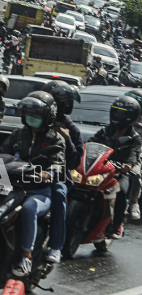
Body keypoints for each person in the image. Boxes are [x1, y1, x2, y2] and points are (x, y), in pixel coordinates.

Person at [0, 91, 66, 276]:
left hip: (39, 192)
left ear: (48, 117)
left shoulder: (55, 138)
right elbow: (0, 152)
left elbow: (59, 165)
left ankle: (26, 257)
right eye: (29, 114)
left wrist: (48, 174)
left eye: (36, 115)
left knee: (29, 209)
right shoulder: (18, 134)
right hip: (13, 188)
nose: (31, 118)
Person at [40, 81, 84, 264]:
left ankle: (56, 246)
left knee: (58, 194)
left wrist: (67, 139)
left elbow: (74, 162)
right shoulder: (37, 120)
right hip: (28, 173)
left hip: (57, 175)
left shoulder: (71, 129)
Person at [90, 95, 142, 239]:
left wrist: (128, 165)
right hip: (102, 168)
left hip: (120, 172)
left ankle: (117, 223)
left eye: (122, 113)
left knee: (121, 191)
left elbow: (134, 154)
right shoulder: (105, 131)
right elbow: (91, 142)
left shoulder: (134, 138)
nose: (118, 115)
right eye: (116, 111)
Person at [122, 89, 142, 221]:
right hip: (117, 150)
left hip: (136, 153)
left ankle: (134, 202)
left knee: (135, 174)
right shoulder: (118, 118)